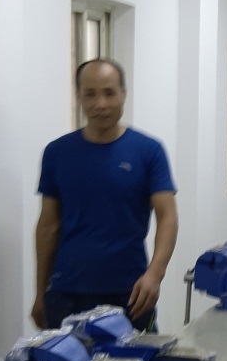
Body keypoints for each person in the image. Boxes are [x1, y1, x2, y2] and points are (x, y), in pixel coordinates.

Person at [31, 58, 179, 332]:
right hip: (66, 295)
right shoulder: (57, 153)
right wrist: (40, 292)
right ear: (79, 97)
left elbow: (167, 216)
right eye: (90, 94)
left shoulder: (148, 151)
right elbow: (48, 226)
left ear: (123, 94)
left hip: (131, 294)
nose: (100, 104)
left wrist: (155, 274)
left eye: (109, 93)